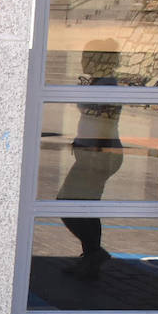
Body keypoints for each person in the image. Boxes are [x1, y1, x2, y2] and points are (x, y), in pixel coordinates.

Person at [58, 40, 123, 279]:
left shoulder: (107, 86)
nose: (83, 60)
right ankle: (91, 256)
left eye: (87, 56)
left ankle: (94, 253)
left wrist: (95, 153)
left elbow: (105, 124)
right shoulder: (100, 82)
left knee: (70, 203)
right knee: (80, 205)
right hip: (92, 153)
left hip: (99, 155)